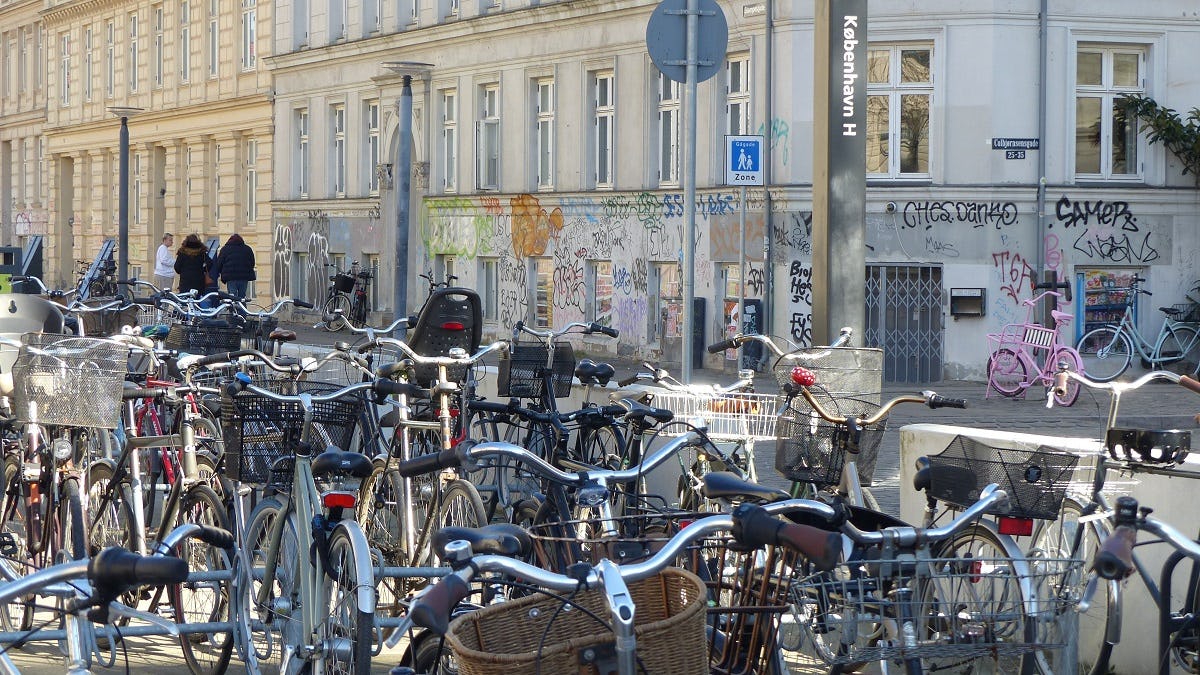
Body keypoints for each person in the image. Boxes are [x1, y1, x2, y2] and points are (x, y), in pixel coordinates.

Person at [211, 233, 257, 300]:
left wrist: (222, 272)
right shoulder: (247, 249)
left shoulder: (225, 249)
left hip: (231, 277)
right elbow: (252, 262)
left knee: (232, 296)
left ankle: (233, 310)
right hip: (243, 277)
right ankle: (242, 309)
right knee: (242, 297)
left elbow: (219, 263)